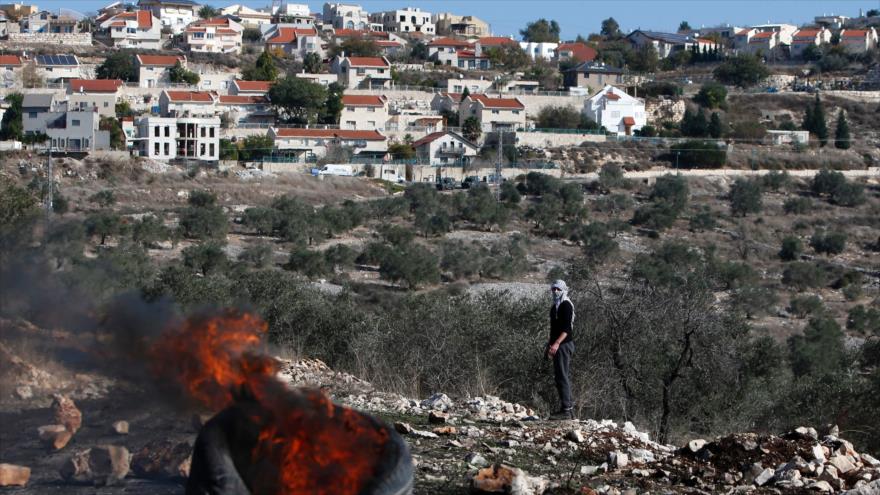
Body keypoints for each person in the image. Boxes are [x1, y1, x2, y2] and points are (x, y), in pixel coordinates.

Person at [546, 280, 575, 420]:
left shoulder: (566, 305)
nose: (555, 291)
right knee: (559, 376)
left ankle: (567, 410)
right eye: (553, 289)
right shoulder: (555, 307)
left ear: (563, 290)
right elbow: (554, 329)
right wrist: (550, 345)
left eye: (558, 289)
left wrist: (557, 343)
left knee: (562, 376)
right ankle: (567, 408)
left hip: (564, 345)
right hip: (557, 345)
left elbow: (566, 329)